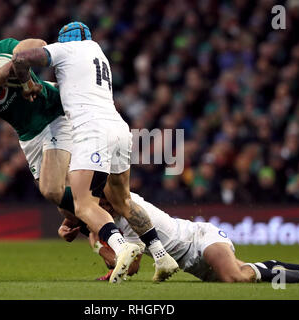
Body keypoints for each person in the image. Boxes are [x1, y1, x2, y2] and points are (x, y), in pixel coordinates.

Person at [12, 22, 179, 283]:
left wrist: (25, 85)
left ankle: (122, 247)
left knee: (83, 203)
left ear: (64, 41)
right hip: (119, 129)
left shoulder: (67, 49)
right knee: (123, 201)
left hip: (91, 131)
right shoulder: (98, 52)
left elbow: (21, 58)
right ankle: (162, 256)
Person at [59, 192, 299, 284]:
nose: (102, 207)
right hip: (188, 263)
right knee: (249, 274)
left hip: (199, 238)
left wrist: (93, 238)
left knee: (236, 278)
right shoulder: (111, 218)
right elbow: (121, 264)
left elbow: (130, 267)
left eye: (103, 204)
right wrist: (86, 229)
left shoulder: (130, 210)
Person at [0, 37, 76, 224]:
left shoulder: (4, 48)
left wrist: (8, 69)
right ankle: (101, 221)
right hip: (29, 136)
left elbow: (40, 45)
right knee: (67, 210)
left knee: (52, 188)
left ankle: (105, 216)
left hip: (53, 112)